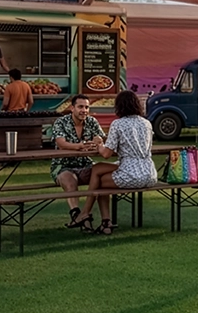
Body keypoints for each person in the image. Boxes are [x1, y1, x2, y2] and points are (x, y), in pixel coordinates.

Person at [81, 90, 157, 235]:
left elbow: (106, 154)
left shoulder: (118, 124)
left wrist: (98, 145)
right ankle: (100, 221)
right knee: (97, 169)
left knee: (99, 181)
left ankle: (92, 216)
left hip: (132, 174)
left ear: (119, 106)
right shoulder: (146, 123)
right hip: (150, 173)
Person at [49, 94, 105, 228]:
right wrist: (80, 146)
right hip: (63, 165)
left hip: (85, 164)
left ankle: (102, 219)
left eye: (86, 107)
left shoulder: (92, 121)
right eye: (80, 107)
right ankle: (77, 214)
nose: (84, 110)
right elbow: (61, 143)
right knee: (70, 181)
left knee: (103, 178)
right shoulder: (61, 122)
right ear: (72, 108)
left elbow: (100, 138)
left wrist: (98, 140)